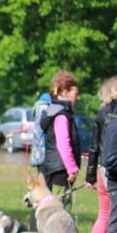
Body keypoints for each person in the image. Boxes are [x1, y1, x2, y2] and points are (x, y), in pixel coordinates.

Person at [85, 75, 117, 233]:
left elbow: (94, 148)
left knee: (104, 216)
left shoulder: (102, 113)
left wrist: (90, 176)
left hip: (102, 169)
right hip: (116, 170)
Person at [37, 70, 81, 199]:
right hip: (60, 172)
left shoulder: (54, 110)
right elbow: (62, 144)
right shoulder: (61, 115)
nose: (78, 97)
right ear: (65, 92)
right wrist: (71, 168)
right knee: (58, 212)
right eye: (76, 93)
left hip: (54, 168)